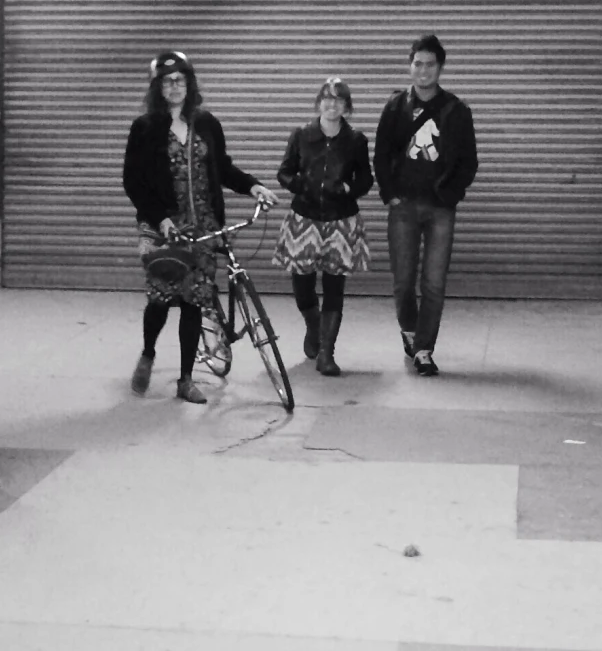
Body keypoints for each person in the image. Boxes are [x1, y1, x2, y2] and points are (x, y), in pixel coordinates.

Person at [122, 49, 278, 403]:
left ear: (189, 84)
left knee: (194, 301)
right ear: (157, 87)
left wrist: (253, 185)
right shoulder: (145, 128)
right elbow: (133, 182)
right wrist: (159, 218)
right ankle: (148, 352)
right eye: (167, 81)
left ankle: (185, 379)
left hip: (203, 226)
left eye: (180, 80)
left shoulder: (206, 123)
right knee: (161, 299)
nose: (175, 86)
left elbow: (222, 168)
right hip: (163, 225)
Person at [372, 33, 478, 377]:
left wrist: (449, 195)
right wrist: (390, 193)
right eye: (417, 63)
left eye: (430, 64)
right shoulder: (394, 107)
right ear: (409, 66)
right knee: (403, 281)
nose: (423, 71)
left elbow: (469, 162)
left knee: (434, 281)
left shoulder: (457, 111)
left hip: (439, 209)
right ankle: (409, 328)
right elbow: (382, 154)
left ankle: (424, 349)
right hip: (403, 207)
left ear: (440, 68)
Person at [274, 77, 373, 376]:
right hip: (303, 219)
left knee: (334, 287)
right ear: (319, 102)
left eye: (339, 100)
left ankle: (327, 353)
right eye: (327, 99)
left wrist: (347, 189)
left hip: (341, 221)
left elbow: (365, 180)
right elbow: (284, 172)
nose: (332, 104)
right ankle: (313, 324)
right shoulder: (302, 135)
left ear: (347, 106)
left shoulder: (356, 141)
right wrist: (299, 184)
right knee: (302, 285)